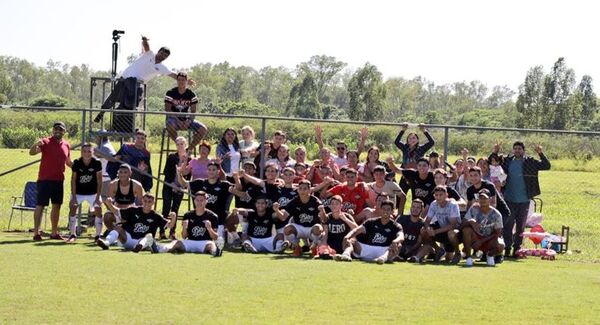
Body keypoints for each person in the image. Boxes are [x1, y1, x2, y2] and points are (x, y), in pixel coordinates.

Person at [94, 35, 195, 122]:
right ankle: (101, 114)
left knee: (130, 104)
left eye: (165, 56)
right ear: (158, 51)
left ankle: (125, 121)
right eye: (162, 53)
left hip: (136, 85)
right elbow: (146, 47)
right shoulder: (149, 54)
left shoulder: (161, 67)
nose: (162, 56)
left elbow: (173, 74)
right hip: (124, 79)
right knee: (113, 98)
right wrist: (145, 40)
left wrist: (186, 80)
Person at [492, 141, 551, 257]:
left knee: (520, 227)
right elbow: (492, 162)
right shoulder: (507, 161)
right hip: (509, 199)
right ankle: (507, 248)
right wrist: (496, 151)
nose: (517, 150)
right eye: (515, 148)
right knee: (508, 225)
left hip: (524, 200)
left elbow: (546, 165)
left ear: (523, 150)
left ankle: (517, 249)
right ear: (513, 150)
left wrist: (540, 153)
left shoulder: (529, 162)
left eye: (519, 148)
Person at [29, 121, 72, 241]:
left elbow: (68, 162)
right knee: (40, 205)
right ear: (53, 130)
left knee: (56, 206)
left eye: (61, 129)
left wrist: (80, 168)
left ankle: (54, 233)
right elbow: (32, 152)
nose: (58, 131)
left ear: (64, 131)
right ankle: (36, 233)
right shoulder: (45, 142)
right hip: (44, 180)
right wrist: (35, 145)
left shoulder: (66, 145)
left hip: (58, 180)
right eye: (56, 129)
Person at [97, 193, 175, 252]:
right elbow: (117, 211)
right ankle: (106, 243)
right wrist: (109, 204)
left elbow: (170, 225)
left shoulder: (156, 216)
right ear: (142, 201)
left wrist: (174, 217)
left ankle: (139, 247)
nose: (147, 203)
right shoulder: (133, 210)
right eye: (145, 201)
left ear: (153, 203)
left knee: (149, 236)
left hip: (144, 241)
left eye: (149, 202)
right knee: (118, 228)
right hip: (128, 239)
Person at [334, 200, 403, 264]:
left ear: (392, 211)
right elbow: (356, 230)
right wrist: (347, 236)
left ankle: (383, 259)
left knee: (398, 245)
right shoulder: (371, 221)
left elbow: (401, 236)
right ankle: (346, 255)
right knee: (351, 240)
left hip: (384, 250)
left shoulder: (396, 225)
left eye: (388, 209)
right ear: (380, 210)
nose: (385, 211)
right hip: (367, 248)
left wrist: (395, 241)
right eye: (384, 209)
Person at [177, 161, 234, 238]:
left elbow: (237, 189)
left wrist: (237, 178)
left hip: (218, 221)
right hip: (201, 220)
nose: (211, 171)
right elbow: (184, 184)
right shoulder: (200, 182)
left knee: (218, 241)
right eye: (209, 169)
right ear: (206, 171)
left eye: (214, 170)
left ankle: (230, 234)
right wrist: (179, 173)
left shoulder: (224, 185)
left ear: (218, 171)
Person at [160, 191, 223, 256]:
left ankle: (216, 252)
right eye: (197, 200)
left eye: (202, 200)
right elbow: (184, 236)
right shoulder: (188, 215)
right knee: (175, 243)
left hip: (205, 242)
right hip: (190, 241)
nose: (199, 202)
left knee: (211, 246)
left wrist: (209, 228)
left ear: (206, 201)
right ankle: (159, 249)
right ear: (194, 201)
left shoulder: (213, 216)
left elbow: (215, 238)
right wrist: (184, 228)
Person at [274, 180, 323, 257]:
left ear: (309, 190)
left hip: (311, 229)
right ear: (298, 190)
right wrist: (277, 210)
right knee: (287, 229)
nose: (302, 191)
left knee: (318, 228)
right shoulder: (294, 201)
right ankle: (297, 247)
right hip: (299, 228)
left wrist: (322, 211)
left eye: (305, 189)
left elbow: (323, 219)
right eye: (300, 188)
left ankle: (314, 247)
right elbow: (283, 218)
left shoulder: (316, 201)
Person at [67, 143, 103, 243]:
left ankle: (98, 236)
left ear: (93, 152)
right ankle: (72, 234)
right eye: (84, 151)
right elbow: (73, 180)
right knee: (72, 207)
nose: (87, 153)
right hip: (79, 192)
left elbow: (100, 181)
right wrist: (74, 197)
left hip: (93, 193)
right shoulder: (77, 162)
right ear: (81, 152)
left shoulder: (97, 163)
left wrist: (97, 197)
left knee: (98, 209)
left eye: (89, 151)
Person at [462, 189, 505, 267]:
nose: (483, 200)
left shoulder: (496, 214)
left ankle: (490, 255)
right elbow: (462, 225)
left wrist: (481, 241)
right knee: (466, 230)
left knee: (501, 245)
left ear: (490, 199)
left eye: (485, 198)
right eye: (481, 198)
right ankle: (468, 257)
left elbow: (497, 233)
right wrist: (470, 221)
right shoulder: (473, 209)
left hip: (489, 239)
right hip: (475, 237)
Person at [159, 136, 191, 240]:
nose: (180, 146)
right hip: (169, 185)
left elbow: (189, 176)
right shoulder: (171, 157)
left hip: (180, 188)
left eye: (182, 144)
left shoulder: (189, 159)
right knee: (166, 208)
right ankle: (162, 231)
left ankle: (172, 232)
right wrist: (172, 184)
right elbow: (167, 173)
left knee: (175, 210)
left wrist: (181, 186)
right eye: (178, 144)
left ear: (185, 145)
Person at [164, 72, 207, 147]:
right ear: (177, 81)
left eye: (183, 80)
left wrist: (189, 121)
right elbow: (168, 110)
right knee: (169, 124)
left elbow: (193, 111)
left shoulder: (191, 94)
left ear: (187, 81)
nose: (181, 82)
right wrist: (178, 121)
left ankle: (189, 149)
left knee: (203, 129)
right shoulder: (170, 93)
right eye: (179, 80)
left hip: (186, 120)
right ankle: (180, 145)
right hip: (173, 119)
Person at [421, 186, 461, 264]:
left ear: (446, 195)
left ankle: (457, 253)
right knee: (423, 231)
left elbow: (453, 225)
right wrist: (428, 228)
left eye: (441, 195)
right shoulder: (433, 204)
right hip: (442, 230)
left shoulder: (453, 205)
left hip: (455, 233)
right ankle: (438, 250)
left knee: (449, 257)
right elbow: (427, 221)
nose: (438, 197)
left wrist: (435, 232)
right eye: (436, 195)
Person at [102, 164, 145, 231]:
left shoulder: (137, 185)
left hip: (131, 211)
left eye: (125, 172)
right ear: (118, 173)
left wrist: (134, 215)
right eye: (121, 172)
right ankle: (112, 231)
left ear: (130, 173)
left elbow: (141, 204)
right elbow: (109, 202)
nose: (123, 175)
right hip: (117, 210)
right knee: (107, 216)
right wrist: (116, 212)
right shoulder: (113, 184)